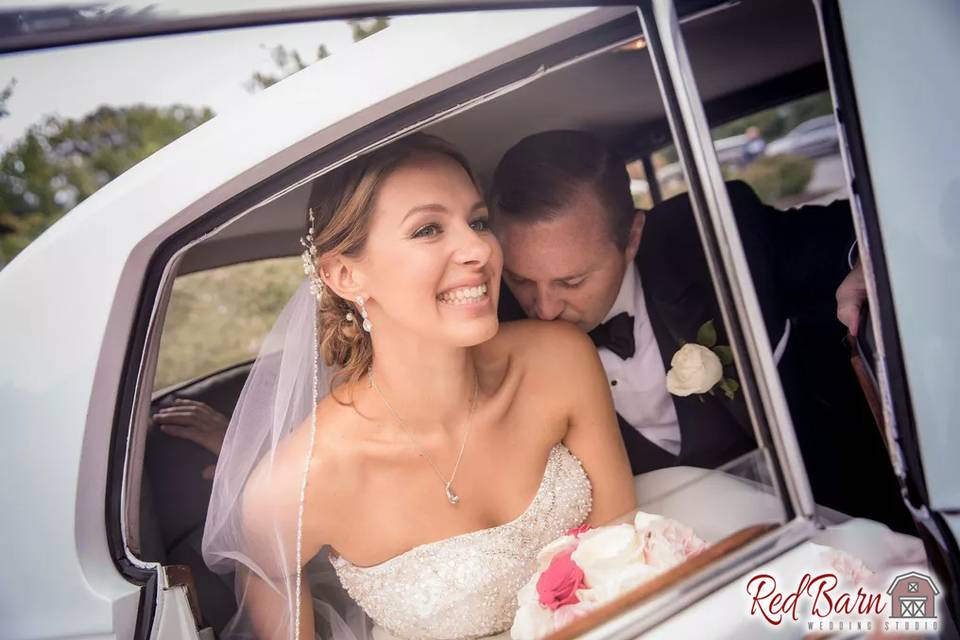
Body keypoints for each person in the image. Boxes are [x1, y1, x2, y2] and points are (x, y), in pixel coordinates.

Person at [202, 134, 636, 640]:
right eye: (429, 229)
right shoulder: (293, 488)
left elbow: (629, 559)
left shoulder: (560, 360)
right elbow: (270, 583)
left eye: (477, 222)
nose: (479, 248)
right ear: (344, 274)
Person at [490, 130, 913, 533]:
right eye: (521, 281)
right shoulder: (494, 333)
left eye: (572, 281)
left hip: (839, 514)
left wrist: (864, 264)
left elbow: (864, 230)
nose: (543, 310)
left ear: (633, 237)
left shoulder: (714, 237)